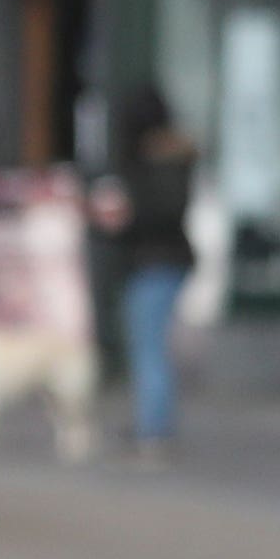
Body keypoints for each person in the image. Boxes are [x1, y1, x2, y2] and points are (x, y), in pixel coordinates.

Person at [95, 84, 197, 458]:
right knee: (149, 345)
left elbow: (161, 212)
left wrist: (124, 217)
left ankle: (153, 428)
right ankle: (151, 421)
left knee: (148, 347)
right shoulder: (168, 157)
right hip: (159, 260)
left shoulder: (157, 160)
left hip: (156, 261)